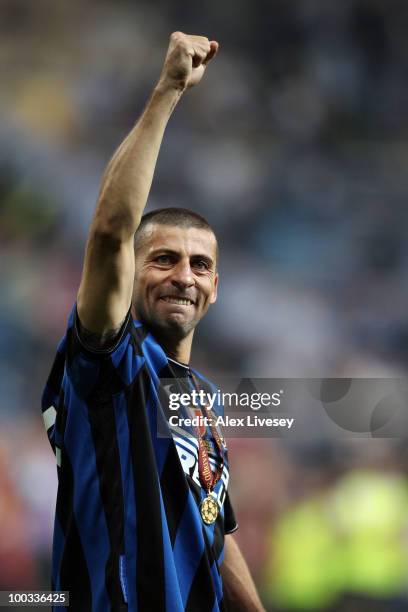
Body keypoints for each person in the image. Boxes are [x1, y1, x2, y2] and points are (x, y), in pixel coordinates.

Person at [42, 31, 264, 612]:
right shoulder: (111, 365)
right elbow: (110, 229)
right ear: (128, 274)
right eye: (163, 259)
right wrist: (168, 90)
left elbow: (214, 523)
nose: (183, 276)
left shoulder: (204, 400)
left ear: (216, 287)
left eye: (200, 264)